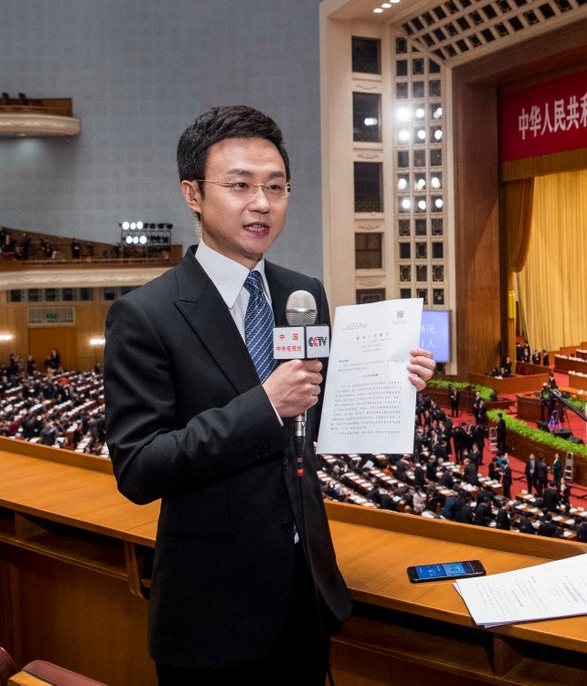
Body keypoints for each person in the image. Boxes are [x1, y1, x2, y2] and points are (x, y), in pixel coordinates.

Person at [105, 106, 434, 684]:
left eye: (276, 187)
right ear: (193, 193)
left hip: (306, 592)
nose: (262, 202)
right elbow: (139, 467)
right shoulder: (146, 314)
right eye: (239, 185)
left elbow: (317, 412)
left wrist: (391, 381)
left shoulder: (301, 292)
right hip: (213, 612)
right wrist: (265, 404)